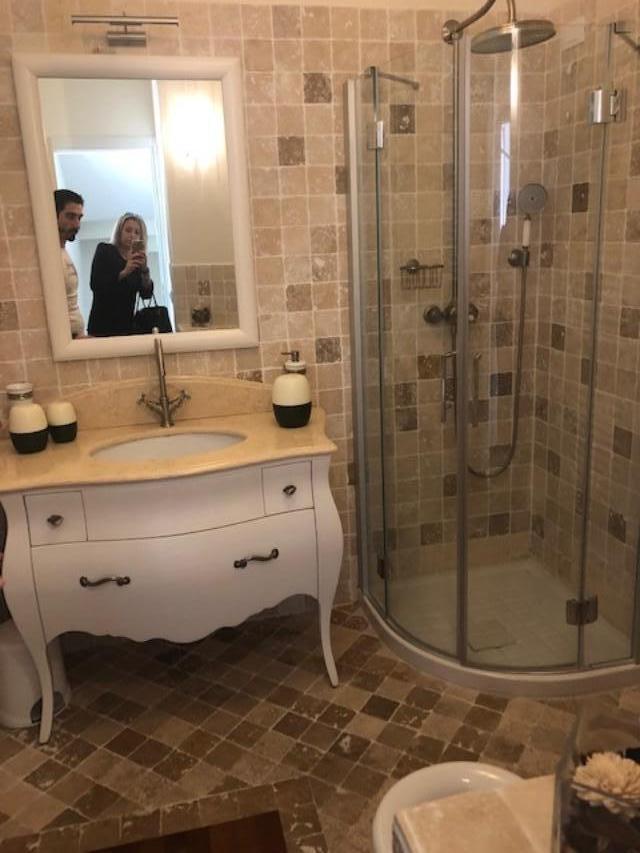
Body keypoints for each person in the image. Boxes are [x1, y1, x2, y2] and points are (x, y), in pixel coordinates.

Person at [87, 213, 154, 337]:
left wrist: (144, 270)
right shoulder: (105, 250)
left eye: (137, 232)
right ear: (119, 231)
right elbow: (96, 284)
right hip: (101, 326)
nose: (132, 235)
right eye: (128, 230)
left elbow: (146, 294)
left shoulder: (136, 260)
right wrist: (124, 272)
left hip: (126, 328)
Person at [54, 189, 85, 338]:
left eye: (79, 218)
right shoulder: (51, 257)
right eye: (70, 216)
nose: (77, 224)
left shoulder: (63, 252)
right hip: (67, 339)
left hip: (75, 338)